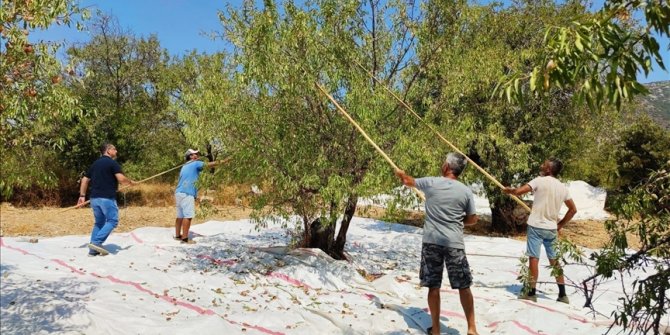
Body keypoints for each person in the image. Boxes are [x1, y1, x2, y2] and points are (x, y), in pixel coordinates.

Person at [395, 153, 479, 335]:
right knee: (464, 285)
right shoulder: (465, 191)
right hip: (454, 243)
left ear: (447, 166)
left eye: (444, 162)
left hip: (432, 242)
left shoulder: (432, 183)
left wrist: (401, 174)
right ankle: (472, 328)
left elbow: (408, 181)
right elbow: (473, 219)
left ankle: (436, 329)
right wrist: (456, 220)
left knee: (434, 286)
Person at [503, 158, 577, 304]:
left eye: (544, 164)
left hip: (536, 226)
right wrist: (559, 225)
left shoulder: (539, 181)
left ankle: (531, 293)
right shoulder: (563, 188)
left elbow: (519, 192)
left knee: (533, 259)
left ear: (549, 169)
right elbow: (573, 210)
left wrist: (509, 191)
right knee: (554, 260)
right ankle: (562, 294)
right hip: (551, 229)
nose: (541, 165)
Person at [78, 143, 136, 256]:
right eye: (114, 149)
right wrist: (131, 182)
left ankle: (93, 250)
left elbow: (84, 180)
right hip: (107, 198)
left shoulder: (95, 164)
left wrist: (82, 196)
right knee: (112, 221)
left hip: (94, 199)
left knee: (99, 222)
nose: (116, 151)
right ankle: (96, 242)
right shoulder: (112, 163)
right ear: (108, 150)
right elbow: (121, 179)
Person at [174, 149, 221, 244]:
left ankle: (178, 236)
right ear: (190, 156)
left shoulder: (184, 166)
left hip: (178, 192)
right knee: (188, 216)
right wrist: (225, 161)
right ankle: (185, 239)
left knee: (180, 216)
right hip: (187, 193)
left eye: (197, 154)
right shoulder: (195, 164)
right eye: (195, 154)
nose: (197, 155)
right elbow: (210, 164)